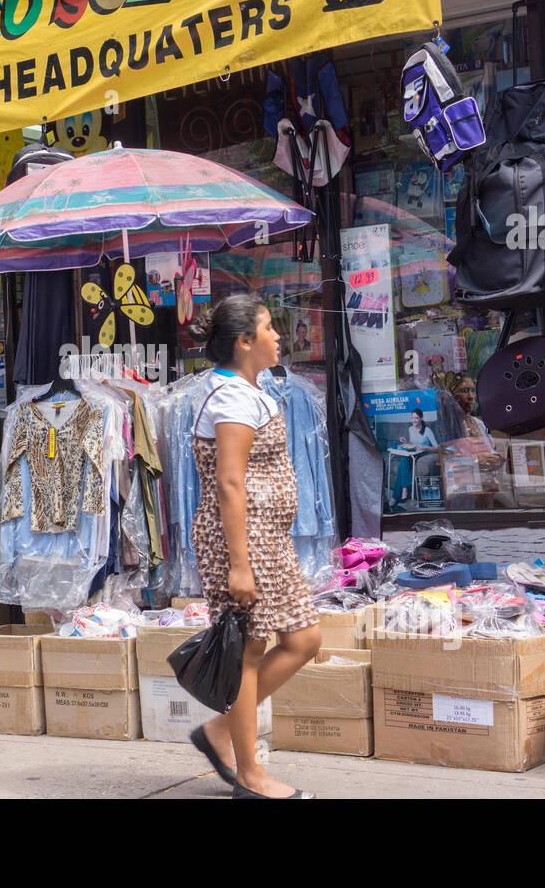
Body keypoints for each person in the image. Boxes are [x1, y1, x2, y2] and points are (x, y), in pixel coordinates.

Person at [185, 293, 321, 799]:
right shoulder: (231, 398)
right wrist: (239, 566)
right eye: (268, 328)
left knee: (304, 639)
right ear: (245, 342)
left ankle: (220, 732)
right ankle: (250, 774)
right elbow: (229, 482)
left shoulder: (245, 389)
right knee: (247, 650)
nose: (278, 336)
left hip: (268, 539)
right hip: (244, 541)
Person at [390, 408, 438, 508]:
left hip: (421, 454)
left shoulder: (427, 430)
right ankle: (404, 489)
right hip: (412, 453)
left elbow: (437, 448)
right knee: (403, 460)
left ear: (421, 418)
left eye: (416, 418)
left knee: (402, 464)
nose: (414, 420)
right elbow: (412, 444)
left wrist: (425, 447)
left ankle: (396, 496)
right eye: (412, 418)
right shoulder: (410, 429)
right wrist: (406, 442)